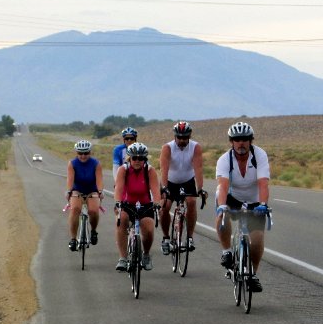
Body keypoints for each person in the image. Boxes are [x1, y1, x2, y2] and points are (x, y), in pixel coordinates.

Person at [215, 121, 271, 292]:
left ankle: (252, 274)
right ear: (231, 142)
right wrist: (222, 206)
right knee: (222, 213)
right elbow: (223, 186)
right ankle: (226, 251)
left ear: (250, 141)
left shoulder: (260, 155)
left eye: (245, 139)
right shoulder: (225, 159)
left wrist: (263, 205)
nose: (241, 143)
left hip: (255, 200)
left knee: (257, 238)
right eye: (237, 139)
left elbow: (263, 183)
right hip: (232, 197)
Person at [159, 120, 205, 255]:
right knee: (165, 207)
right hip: (170, 181)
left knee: (191, 202)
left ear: (189, 136)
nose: (182, 140)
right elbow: (164, 170)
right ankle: (166, 238)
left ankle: (189, 237)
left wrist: (200, 188)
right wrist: (164, 188)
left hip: (187, 181)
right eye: (179, 137)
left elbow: (198, 169)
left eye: (185, 137)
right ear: (175, 136)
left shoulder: (195, 147)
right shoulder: (167, 148)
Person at [114, 142, 161, 272]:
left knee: (149, 229)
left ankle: (146, 255)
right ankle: (123, 258)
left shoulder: (150, 171)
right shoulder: (123, 170)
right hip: (127, 204)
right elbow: (118, 188)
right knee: (121, 220)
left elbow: (156, 190)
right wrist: (118, 202)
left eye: (141, 158)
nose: (137, 161)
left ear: (145, 159)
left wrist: (157, 204)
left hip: (145, 205)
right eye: (134, 158)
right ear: (129, 158)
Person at [65, 140, 104, 251]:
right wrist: (68, 191)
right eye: (80, 153)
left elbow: (99, 180)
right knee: (75, 209)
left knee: (93, 211)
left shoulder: (96, 163)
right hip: (77, 190)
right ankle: (73, 239)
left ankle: (93, 231)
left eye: (86, 153)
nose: (83, 156)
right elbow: (70, 180)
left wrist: (100, 191)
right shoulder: (72, 163)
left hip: (92, 190)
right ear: (76, 153)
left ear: (90, 152)